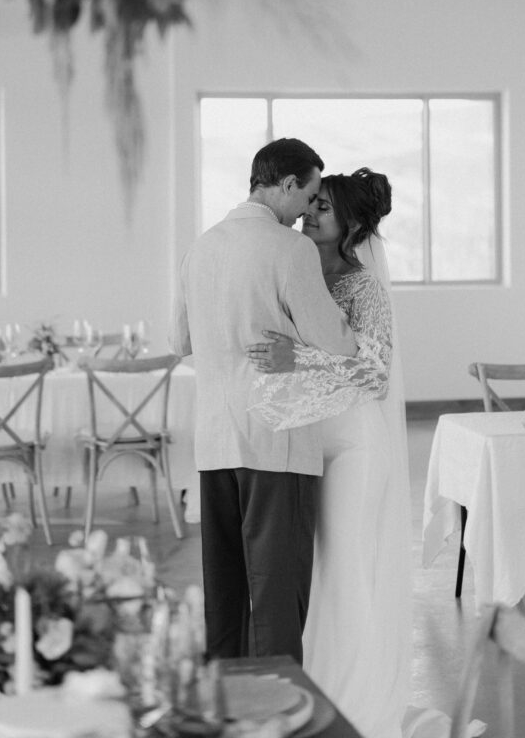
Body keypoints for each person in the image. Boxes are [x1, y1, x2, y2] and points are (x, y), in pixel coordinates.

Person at [168, 137, 359, 664]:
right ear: (287, 184)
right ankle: (281, 710)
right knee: (278, 597)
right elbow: (338, 341)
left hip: (214, 441)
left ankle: (225, 705)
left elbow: (178, 342)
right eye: (309, 195)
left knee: (224, 594)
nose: (305, 212)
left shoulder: (199, 247)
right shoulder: (290, 249)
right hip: (276, 442)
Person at [246, 168, 412, 738]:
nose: (310, 211)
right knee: (314, 575)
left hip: (357, 449)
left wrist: (299, 359)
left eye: (323, 206)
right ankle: (312, 692)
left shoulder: (365, 286)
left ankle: (355, 705)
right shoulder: (298, 269)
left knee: (346, 572)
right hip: (306, 441)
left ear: (354, 223)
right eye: (310, 201)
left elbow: (376, 373)